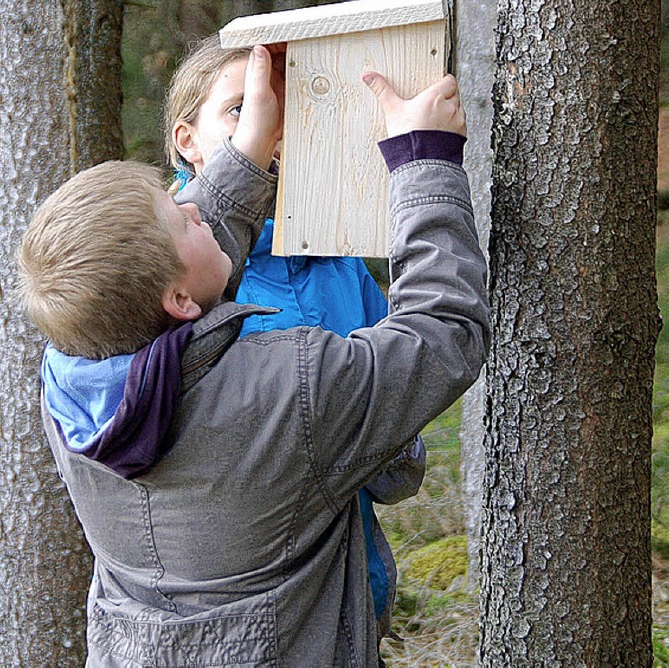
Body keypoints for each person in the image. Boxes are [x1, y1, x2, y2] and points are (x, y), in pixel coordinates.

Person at [17, 45, 489, 667]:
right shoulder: (287, 390)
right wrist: (422, 160)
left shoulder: (69, 383)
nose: (193, 205)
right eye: (180, 219)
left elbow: (165, 269)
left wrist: (246, 150)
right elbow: (444, 329)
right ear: (180, 300)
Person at [164, 35, 428, 648]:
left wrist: (378, 435)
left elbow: (399, 471)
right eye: (243, 107)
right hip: (236, 632)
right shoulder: (171, 283)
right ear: (187, 140)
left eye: (286, 107)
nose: (272, 122)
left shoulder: (337, 264)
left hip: (352, 601)